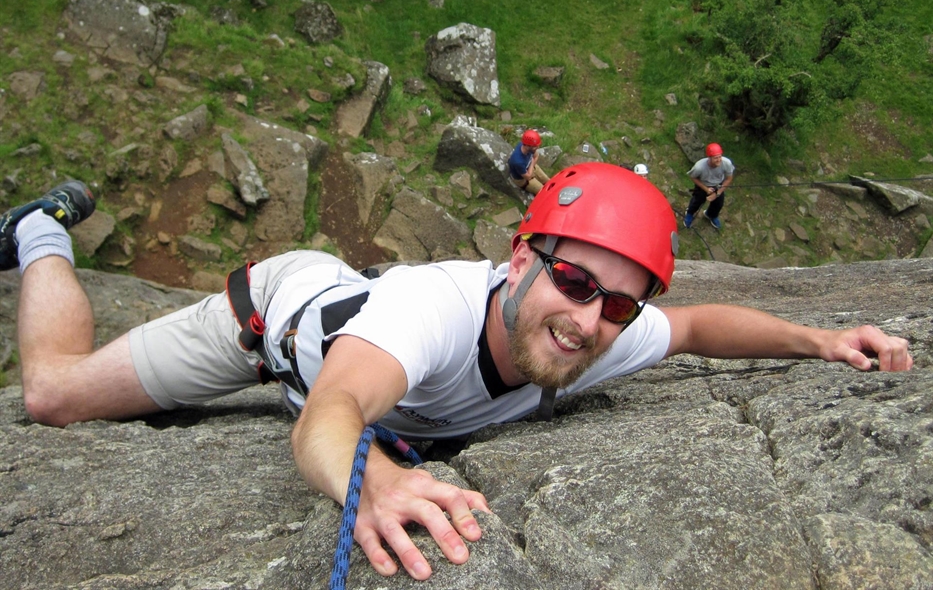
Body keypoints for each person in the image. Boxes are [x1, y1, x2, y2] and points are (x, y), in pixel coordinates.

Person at [2, 166, 911, 582]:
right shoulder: (429, 310)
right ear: (519, 262)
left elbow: (699, 325)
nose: (590, 318)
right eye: (574, 280)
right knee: (52, 394)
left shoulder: (593, 333)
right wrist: (376, 483)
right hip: (275, 321)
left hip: (344, 320)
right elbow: (332, 411)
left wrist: (818, 341)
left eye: (618, 304)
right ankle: (42, 228)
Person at [684, 142, 734, 230]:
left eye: (720, 157)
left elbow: (729, 179)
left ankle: (710, 215)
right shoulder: (699, 167)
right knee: (697, 201)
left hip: (718, 185)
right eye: (715, 158)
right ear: (709, 158)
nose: (719, 160)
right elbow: (693, 177)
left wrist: (718, 193)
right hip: (703, 185)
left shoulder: (726, 163)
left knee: (718, 204)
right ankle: (690, 213)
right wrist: (706, 189)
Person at [508, 129, 550, 195]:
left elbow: (536, 156)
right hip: (522, 178)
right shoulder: (518, 161)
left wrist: (532, 164)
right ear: (527, 146)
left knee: (549, 182)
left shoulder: (527, 146)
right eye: (535, 146)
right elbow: (528, 177)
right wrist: (532, 162)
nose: (537, 147)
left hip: (529, 166)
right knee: (543, 192)